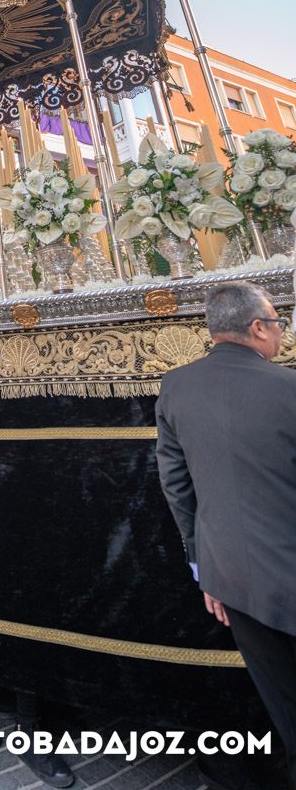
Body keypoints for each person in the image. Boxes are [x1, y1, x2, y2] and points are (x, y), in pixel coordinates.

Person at [156, 280, 296, 788]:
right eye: (279, 324)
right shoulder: (289, 386)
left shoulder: (175, 385)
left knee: (285, 707)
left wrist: (204, 567)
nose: (281, 334)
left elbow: (177, 486)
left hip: (231, 576)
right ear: (258, 327)